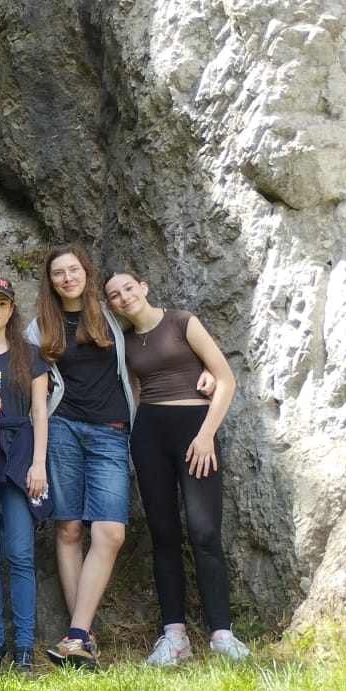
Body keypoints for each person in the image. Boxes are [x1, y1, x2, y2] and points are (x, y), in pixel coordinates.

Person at [104, 269, 251, 665]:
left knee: (205, 532)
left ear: (144, 287)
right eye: (115, 295)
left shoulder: (182, 322)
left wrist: (205, 435)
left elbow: (225, 379)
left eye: (129, 288)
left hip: (195, 431)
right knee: (164, 533)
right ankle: (174, 636)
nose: (124, 297)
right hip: (149, 436)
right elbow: (134, 391)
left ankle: (222, 634)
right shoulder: (124, 342)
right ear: (111, 305)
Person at [27, 244, 133, 670]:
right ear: (50, 282)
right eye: (59, 273)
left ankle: (75, 637)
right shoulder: (39, 328)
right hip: (63, 430)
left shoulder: (111, 315)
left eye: (73, 270)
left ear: (86, 273)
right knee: (69, 528)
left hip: (111, 431)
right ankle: (81, 637)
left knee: (110, 532)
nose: (67, 278)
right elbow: (31, 389)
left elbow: (150, 337)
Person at [0, 276, 49, 672]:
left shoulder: (30, 355)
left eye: (2, 302)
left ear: (12, 308)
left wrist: (39, 463)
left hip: (20, 458)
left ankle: (24, 645)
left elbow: (40, 413)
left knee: (19, 553)